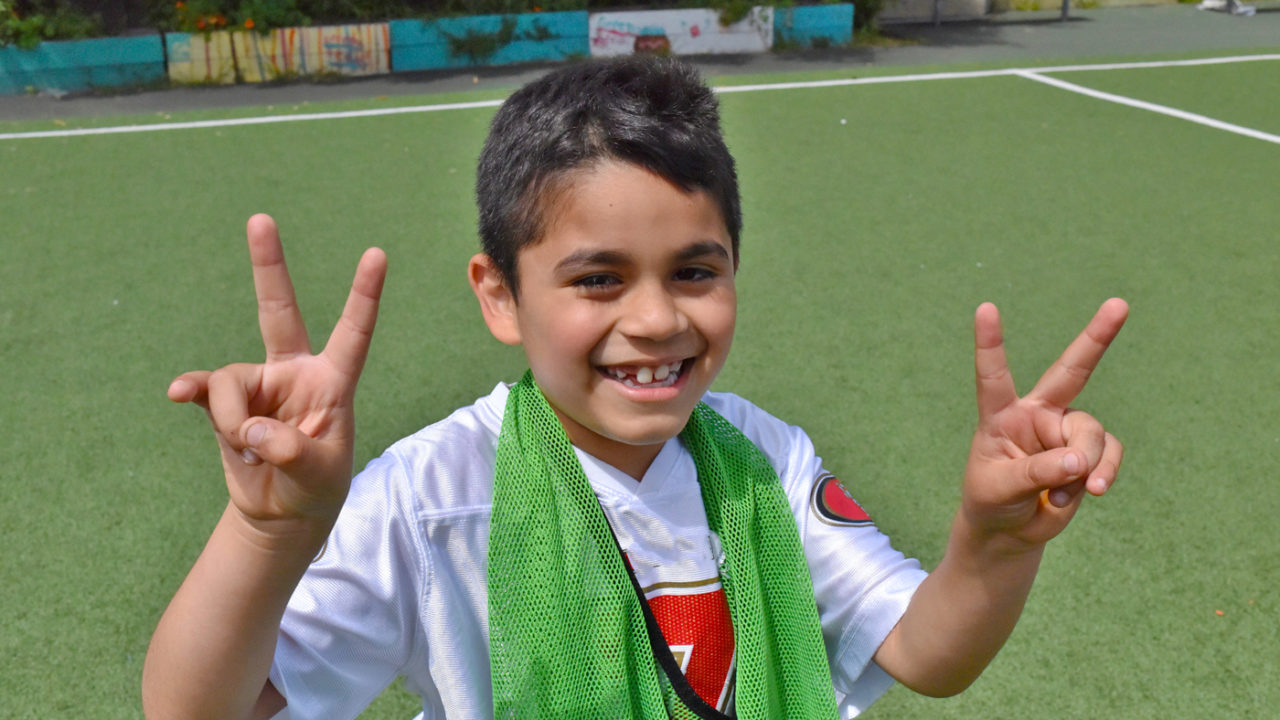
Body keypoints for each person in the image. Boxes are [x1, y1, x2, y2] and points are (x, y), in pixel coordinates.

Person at [142, 56, 1128, 720]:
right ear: (499, 295)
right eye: (597, 278)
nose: (656, 319)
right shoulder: (434, 496)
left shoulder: (760, 463)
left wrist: (989, 546)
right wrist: (267, 533)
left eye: (694, 272)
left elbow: (926, 651)